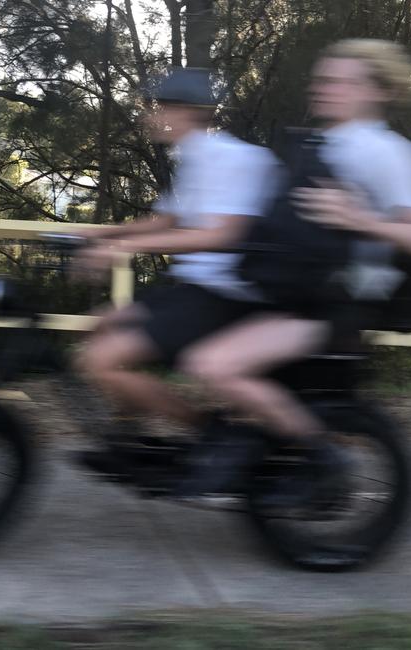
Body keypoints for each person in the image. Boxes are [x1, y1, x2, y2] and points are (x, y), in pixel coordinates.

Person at [175, 38, 411, 494]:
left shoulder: (389, 152)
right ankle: (238, 444)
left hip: (333, 307)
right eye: (321, 79)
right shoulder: (318, 141)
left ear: (377, 90)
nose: (323, 87)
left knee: (214, 365)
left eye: (339, 81)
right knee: (191, 338)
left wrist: (360, 219)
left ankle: (325, 459)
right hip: (289, 291)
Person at [72, 67, 281, 473]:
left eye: (157, 108)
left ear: (185, 112)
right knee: (101, 325)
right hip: (192, 287)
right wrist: (98, 235)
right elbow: (164, 221)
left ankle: (210, 431)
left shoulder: (231, 158)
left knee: (98, 361)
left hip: (224, 294)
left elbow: (221, 235)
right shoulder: (194, 158)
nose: (148, 116)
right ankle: (128, 436)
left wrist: (123, 247)